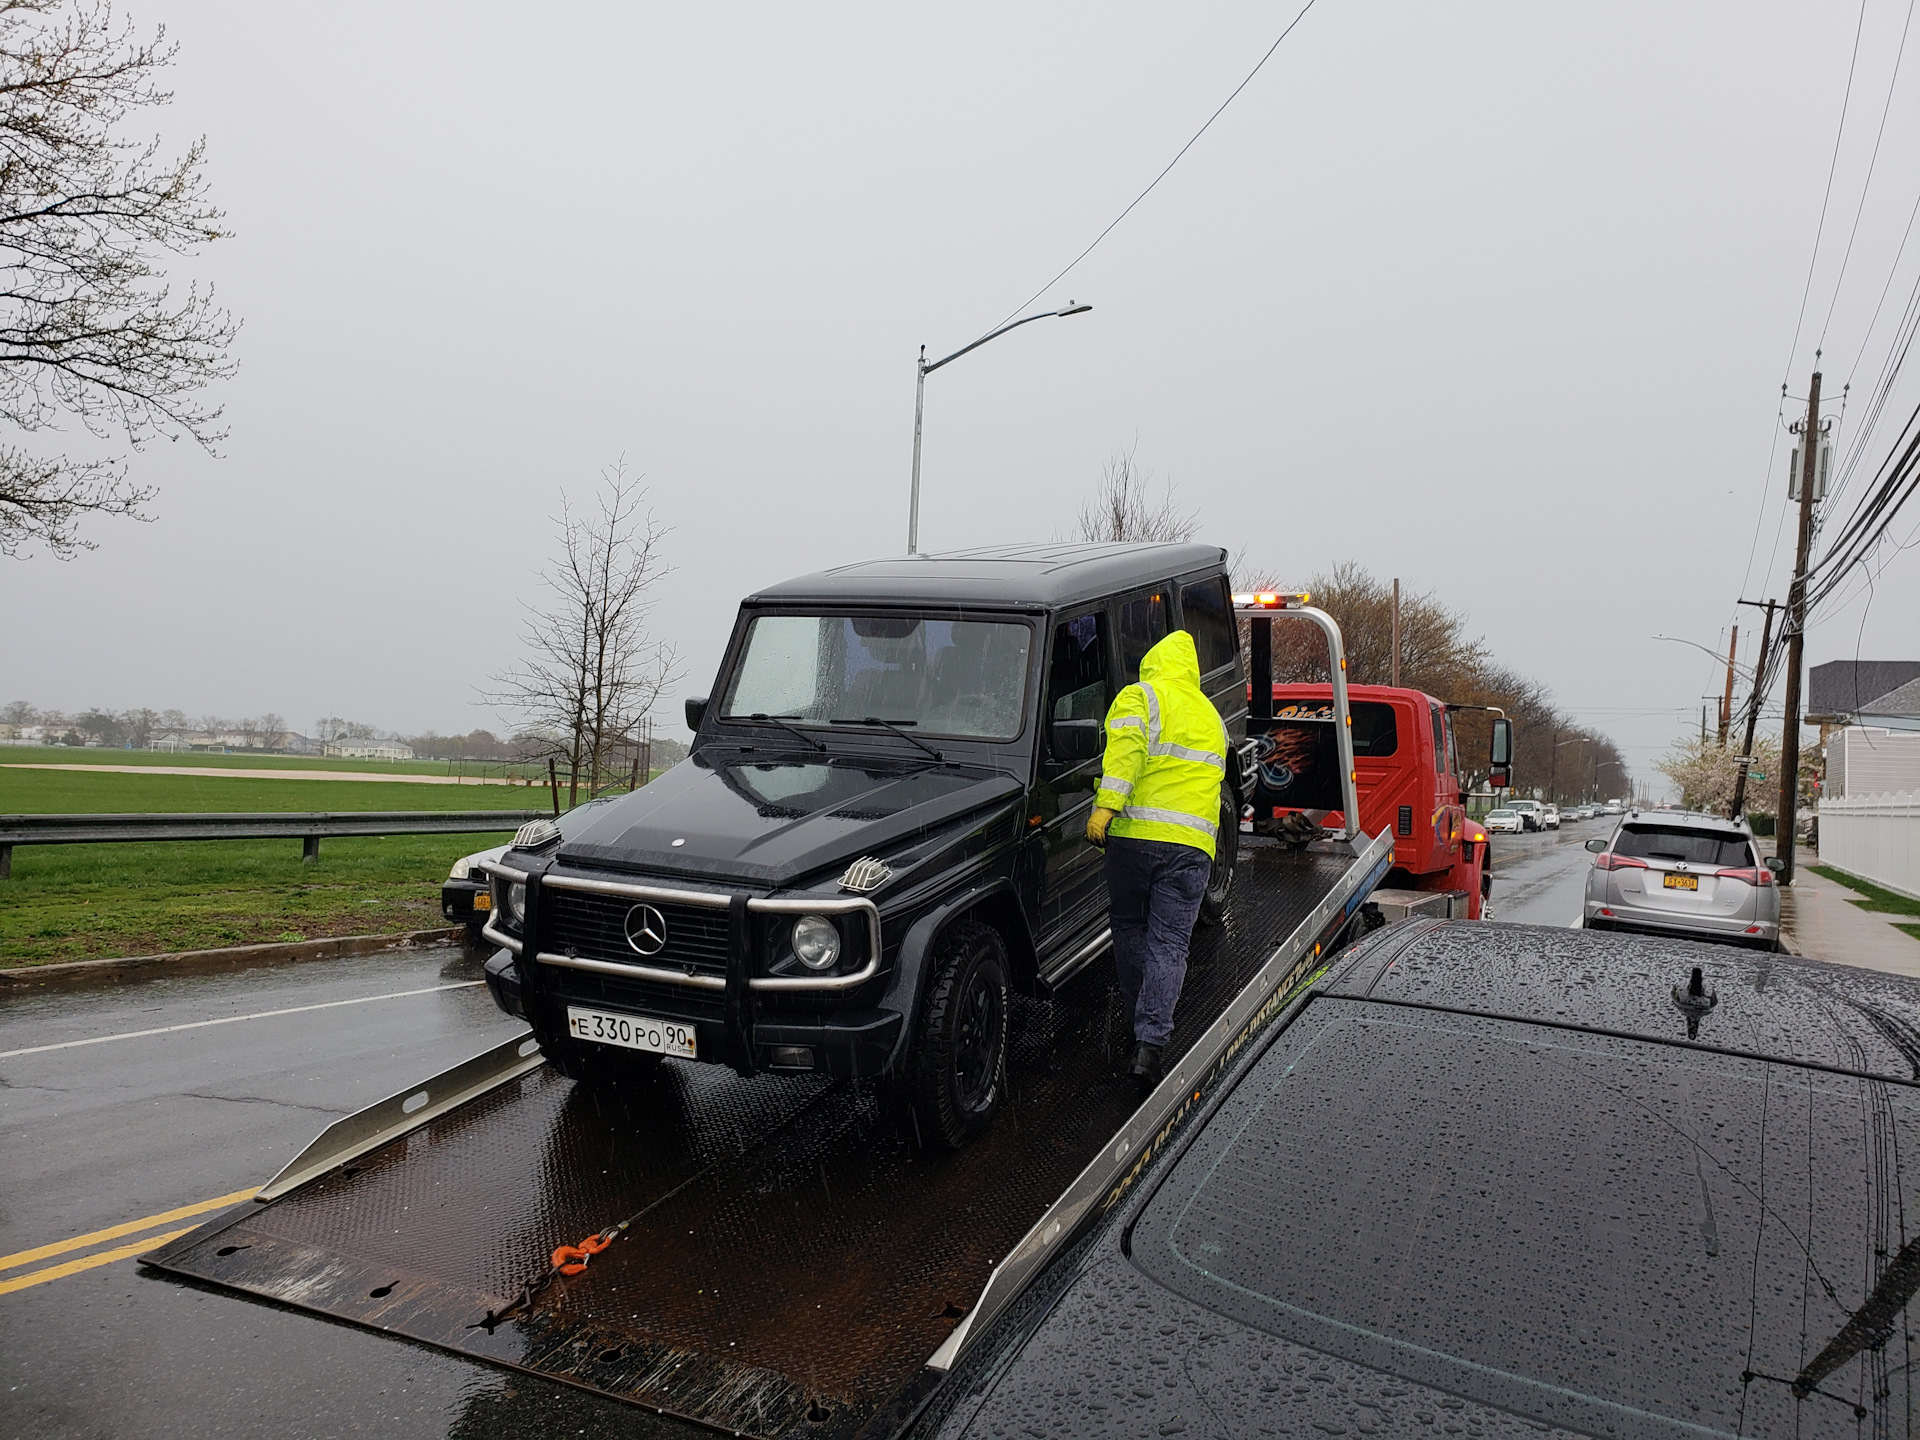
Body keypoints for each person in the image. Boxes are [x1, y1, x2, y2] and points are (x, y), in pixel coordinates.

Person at [1085, 629, 1229, 1092]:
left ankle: (1136, 1024)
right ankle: (1151, 1046)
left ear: (1153, 663)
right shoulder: (1212, 717)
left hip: (1135, 838)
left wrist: (1105, 807)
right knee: (1170, 944)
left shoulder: (1140, 697)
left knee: (1130, 928)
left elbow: (1125, 756)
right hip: (1192, 850)